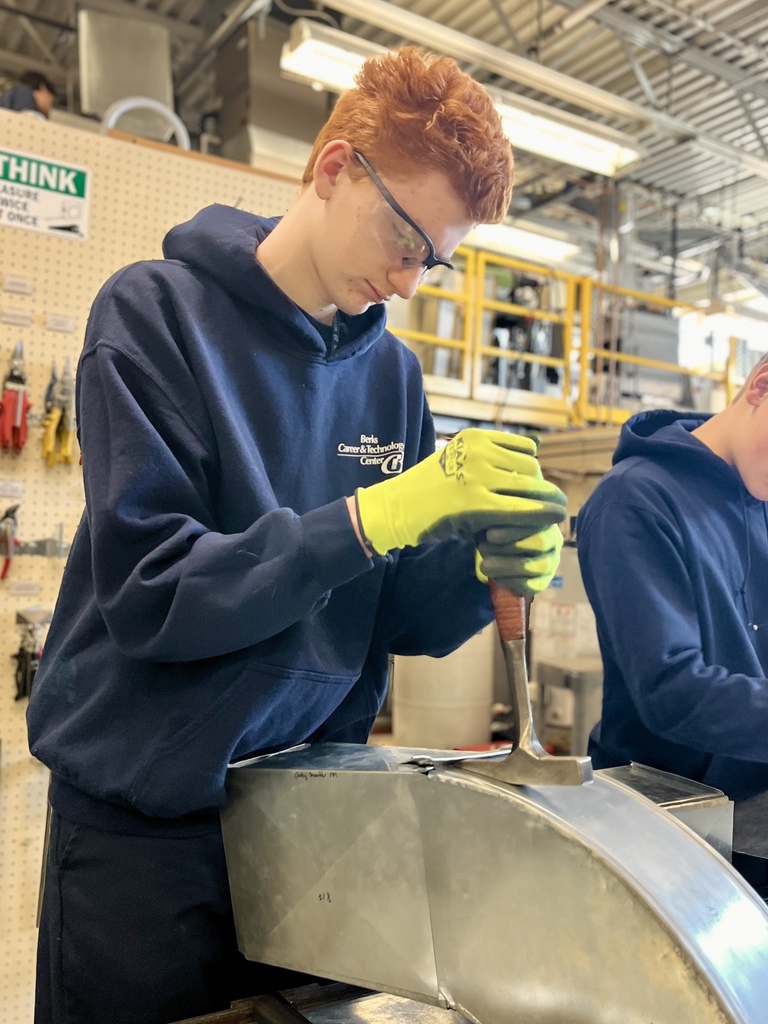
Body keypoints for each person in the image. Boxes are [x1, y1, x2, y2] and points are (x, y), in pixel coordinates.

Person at [27, 46, 567, 1024]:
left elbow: (386, 614)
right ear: (331, 169)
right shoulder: (152, 318)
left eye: (434, 261)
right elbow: (157, 595)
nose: (410, 280)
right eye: (406, 237)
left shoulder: (392, 380)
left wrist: (481, 567)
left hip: (312, 826)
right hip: (146, 839)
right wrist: (370, 516)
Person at [577, 353, 768, 893]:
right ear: (760, 385)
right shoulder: (633, 499)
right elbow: (671, 690)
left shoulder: (760, 495)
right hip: (662, 835)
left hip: (752, 827)